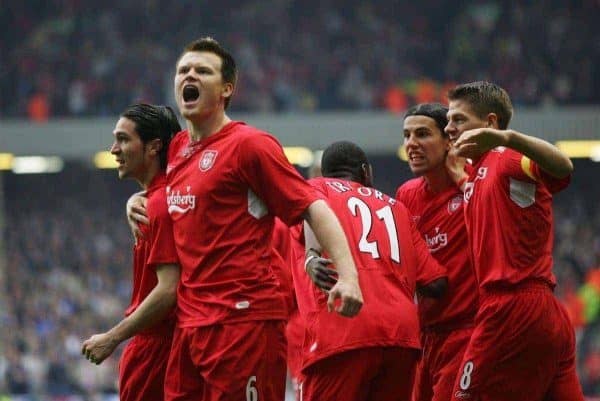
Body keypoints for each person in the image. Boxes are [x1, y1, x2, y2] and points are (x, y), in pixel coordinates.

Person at [129, 37, 363, 401]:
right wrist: (136, 198)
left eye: (202, 70)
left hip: (244, 322)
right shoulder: (175, 150)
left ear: (227, 88)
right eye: (183, 70)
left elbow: (313, 206)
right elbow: (156, 189)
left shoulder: (250, 146)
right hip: (190, 326)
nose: (189, 75)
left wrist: (348, 276)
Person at [445, 81, 584, 401]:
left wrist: (506, 138)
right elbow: (480, 185)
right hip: (545, 309)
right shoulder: (480, 172)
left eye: (459, 120)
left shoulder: (507, 157)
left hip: (510, 308)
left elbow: (563, 167)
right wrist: (459, 176)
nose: (450, 128)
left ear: (490, 123)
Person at [297, 141, 447, 401]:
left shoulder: (315, 187)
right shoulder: (397, 208)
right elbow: (436, 283)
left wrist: (311, 256)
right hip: (401, 337)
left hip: (342, 331)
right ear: (366, 173)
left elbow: (311, 206)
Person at [81, 104, 182, 401]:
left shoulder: (160, 206)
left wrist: (112, 337)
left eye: (124, 139)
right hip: (160, 345)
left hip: (158, 351)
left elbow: (168, 289)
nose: (114, 149)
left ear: (153, 147)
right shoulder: (157, 200)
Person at [395, 103, 478, 401]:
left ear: (448, 141)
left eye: (422, 134)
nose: (411, 144)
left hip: (468, 331)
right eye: (406, 136)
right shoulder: (406, 195)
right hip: (425, 336)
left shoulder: (475, 183)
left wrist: (462, 181)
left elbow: (498, 221)